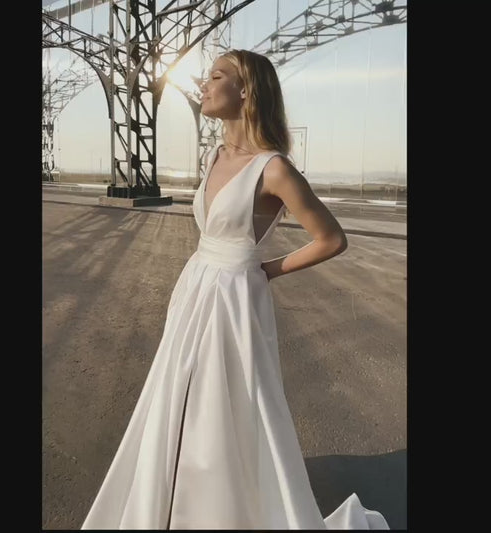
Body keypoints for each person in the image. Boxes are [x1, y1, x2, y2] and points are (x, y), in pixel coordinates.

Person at [81, 49, 389, 530]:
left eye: (215, 76)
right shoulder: (216, 156)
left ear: (246, 90)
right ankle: (172, 504)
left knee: (227, 407)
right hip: (195, 287)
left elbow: (332, 239)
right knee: (178, 397)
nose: (204, 85)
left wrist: (267, 269)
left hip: (235, 299)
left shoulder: (274, 169)